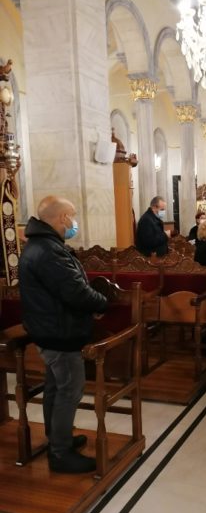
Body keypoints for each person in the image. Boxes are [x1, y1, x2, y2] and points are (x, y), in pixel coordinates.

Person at [18, 196, 108, 473]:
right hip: (59, 333)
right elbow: (75, 291)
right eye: (72, 215)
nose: (74, 221)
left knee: (56, 388)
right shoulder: (49, 251)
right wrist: (101, 303)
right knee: (69, 389)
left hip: (50, 330)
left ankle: (58, 438)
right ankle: (60, 453)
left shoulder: (41, 245)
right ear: (62, 218)